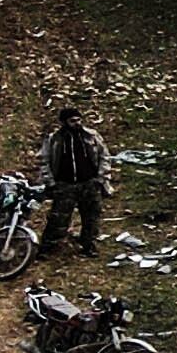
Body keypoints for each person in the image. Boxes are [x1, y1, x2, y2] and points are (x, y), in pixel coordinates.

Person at [38, 101, 106, 258]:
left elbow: (104, 156)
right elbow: (44, 161)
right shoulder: (54, 140)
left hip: (89, 183)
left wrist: (100, 178)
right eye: (72, 121)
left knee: (91, 217)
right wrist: (50, 182)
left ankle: (89, 245)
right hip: (65, 185)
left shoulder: (91, 136)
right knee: (58, 219)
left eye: (79, 120)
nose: (77, 123)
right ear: (64, 122)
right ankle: (48, 248)